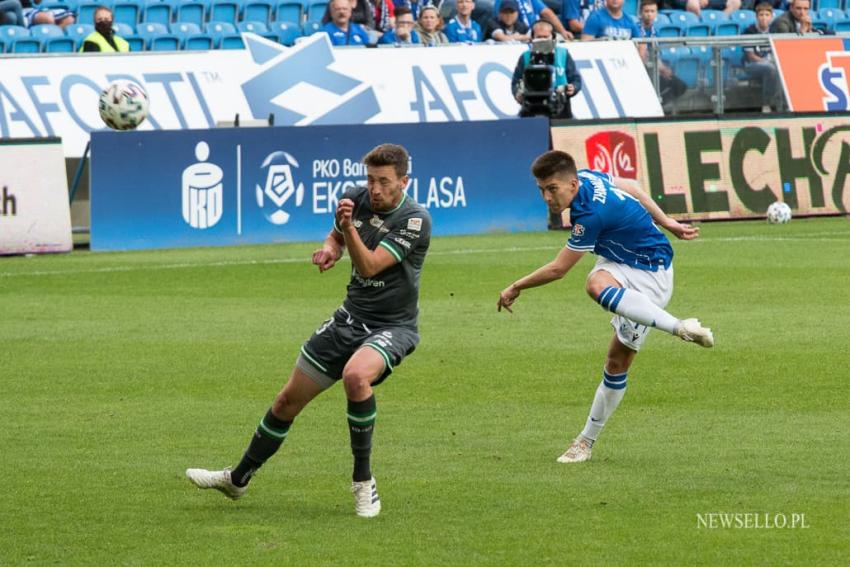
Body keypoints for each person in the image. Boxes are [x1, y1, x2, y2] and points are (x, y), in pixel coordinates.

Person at [187, 144, 432, 518]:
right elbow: (335, 237)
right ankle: (237, 480)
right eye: (370, 179)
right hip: (349, 319)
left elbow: (368, 267)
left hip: (392, 327)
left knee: (355, 376)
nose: (375, 189)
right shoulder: (354, 199)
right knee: (286, 402)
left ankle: (363, 483)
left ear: (404, 181)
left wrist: (348, 230)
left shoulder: (414, 220)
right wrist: (330, 247)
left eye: (384, 181)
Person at [497, 151, 713, 464]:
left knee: (596, 290)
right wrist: (668, 222)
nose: (546, 197)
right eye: (541, 190)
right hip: (621, 259)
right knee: (615, 361)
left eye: (552, 189)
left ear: (572, 184)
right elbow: (634, 188)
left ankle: (679, 327)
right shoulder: (589, 177)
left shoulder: (590, 215)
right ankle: (584, 443)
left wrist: (516, 286)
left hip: (649, 275)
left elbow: (559, 269)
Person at [512, 20, 582, 118]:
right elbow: (516, 81)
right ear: (532, 38)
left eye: (545, 37)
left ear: (553, 37)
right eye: (539, 37)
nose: (542, 40)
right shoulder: (525, 57)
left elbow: (576, 79)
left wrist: (573, 88)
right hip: (531, 105)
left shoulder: (563, 54)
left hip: (560, 106)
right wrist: (517, 94)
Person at [638, 0, 686, 105]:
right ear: (641, 13)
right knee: (663, 83)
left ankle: (658, 105)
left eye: (652, 11)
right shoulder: (636, 29)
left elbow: (655, 54)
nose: (649, 14)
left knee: (680, 85)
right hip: (642, 69)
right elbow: (642, 54)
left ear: (656, 13)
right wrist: (659, 69)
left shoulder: (656, 32)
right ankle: (651, 105)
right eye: (646, 11)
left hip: (654, 67)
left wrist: (663, 68)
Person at [744, 2, 782, 112]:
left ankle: (782, 102)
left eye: (767, 15)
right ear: (756, 17)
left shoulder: (775, 31)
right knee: (770, 68)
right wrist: (767, 62)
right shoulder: (749, 32)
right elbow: (751, 56)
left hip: (771, 64)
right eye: (761, 15)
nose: (764, 18)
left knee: (777, 69)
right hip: (752, 65)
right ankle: (766, 103)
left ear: (771, 17)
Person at [494, 0, 573, 40]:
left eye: (511, 12)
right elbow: (498, 19)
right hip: (516, 37)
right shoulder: (502, 2)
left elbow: (546, 12)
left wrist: (563, 31)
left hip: (534, 34)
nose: (508, 15)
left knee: (558, 38)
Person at [668, 0, 740, 18]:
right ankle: (699, 29)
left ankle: (720, 25)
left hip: (710, 2)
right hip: (687, 2)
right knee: (694, 4)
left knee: (735, 2)